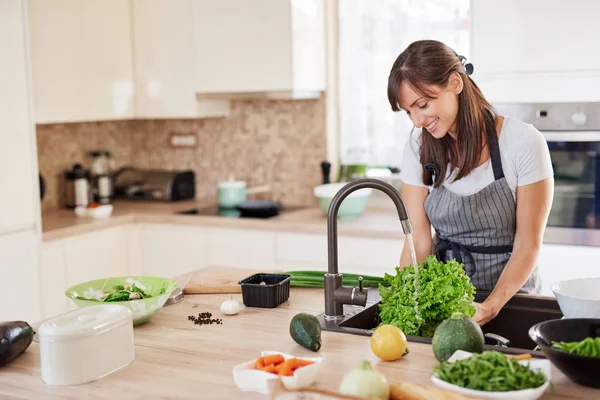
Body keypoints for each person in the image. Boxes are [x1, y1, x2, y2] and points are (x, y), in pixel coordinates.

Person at [387, 40, 554, 326]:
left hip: (512, 300)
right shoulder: (418, 147)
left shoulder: (522, 142)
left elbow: (528, 246)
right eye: (408, 111)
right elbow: (418, 240)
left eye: (422, 105)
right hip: (447, 304)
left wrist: (489, 307)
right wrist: (402, 305)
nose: (416, 121)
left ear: (455, 83)